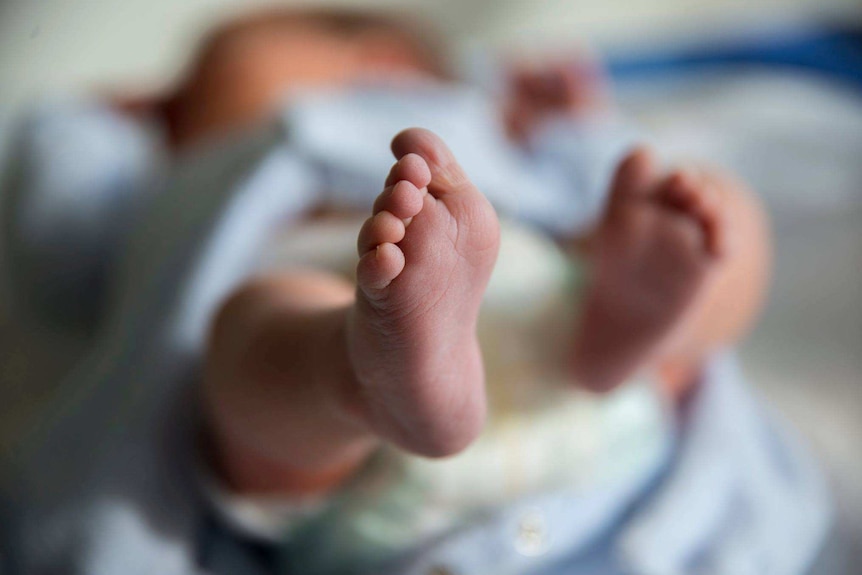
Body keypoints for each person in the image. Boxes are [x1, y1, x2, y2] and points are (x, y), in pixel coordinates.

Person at [0, 8, 829, 575]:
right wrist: (91, 121)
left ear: (385, 63)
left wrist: (584, 135)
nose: (185, 97)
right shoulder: (181, 191)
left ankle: (625, 320)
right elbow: (56, 239)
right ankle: (371, 377)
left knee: (701, 214)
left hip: (557, 308)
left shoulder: (500, 136)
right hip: (357, 394)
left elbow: (606, 181)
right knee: (248, 340)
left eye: (202, 77)